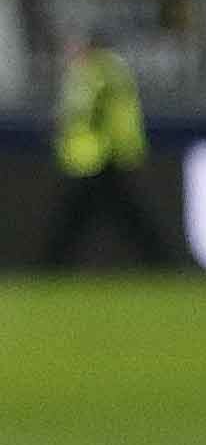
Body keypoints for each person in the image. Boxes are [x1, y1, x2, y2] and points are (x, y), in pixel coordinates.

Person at [48, 31, 161, 268]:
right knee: (121, 213)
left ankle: (52, 263)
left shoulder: (97, 74)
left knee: (77, 216)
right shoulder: (110, 71)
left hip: (98, 156)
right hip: (106, 155)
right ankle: (158, 260)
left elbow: (89, 114)